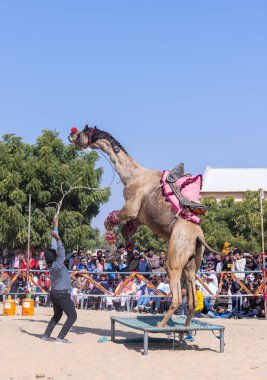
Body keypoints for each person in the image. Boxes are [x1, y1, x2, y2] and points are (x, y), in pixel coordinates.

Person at [42, 217, 77, 343]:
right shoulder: (58, 264)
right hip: (62, 294)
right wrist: (57, 238)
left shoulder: (51, 264)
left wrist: (55, 225)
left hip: (55, 293)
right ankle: (60, 337)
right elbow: (59, 247)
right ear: (55, 256)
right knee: (72, 316)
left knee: (57, 315)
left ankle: (46, 335)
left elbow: (54, 246)